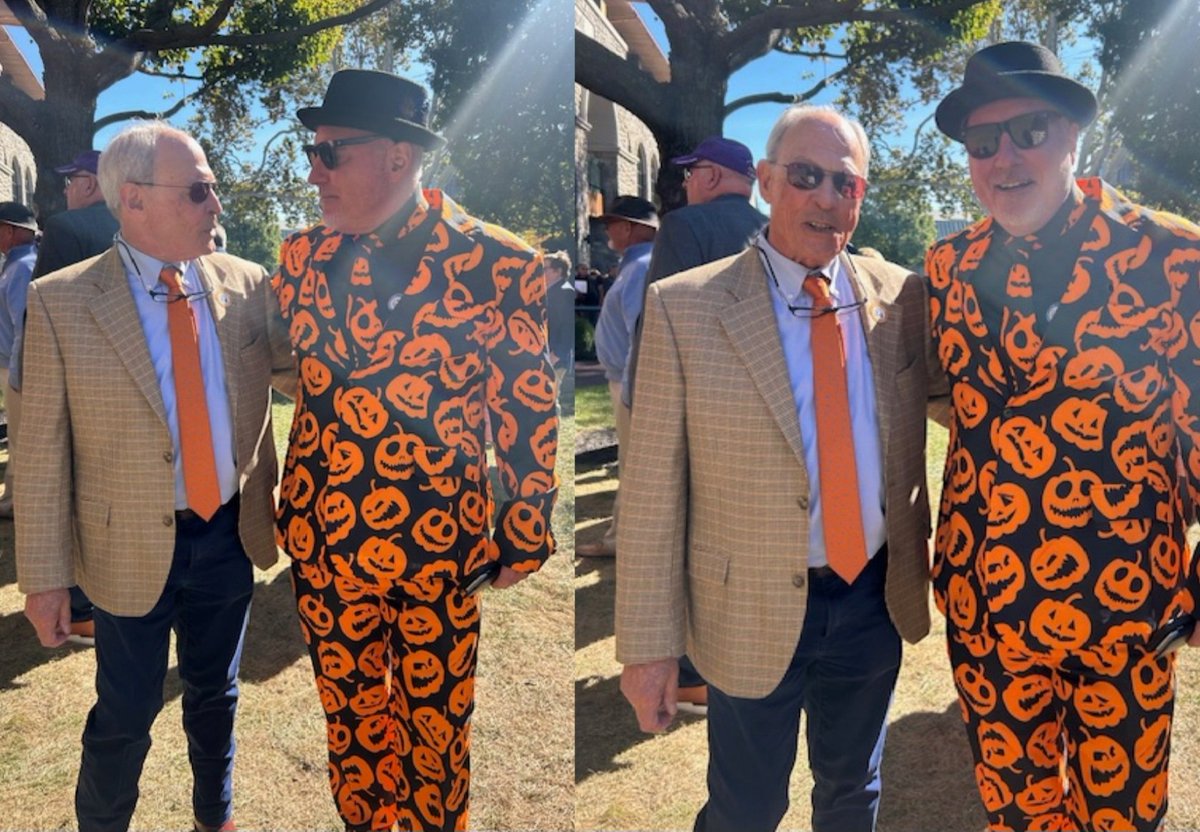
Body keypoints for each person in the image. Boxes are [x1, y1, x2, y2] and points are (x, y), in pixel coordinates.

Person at [616, 104, 940, 832]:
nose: (825, 197)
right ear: (764, 182)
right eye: (804, 175)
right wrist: (647, 650)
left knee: (852, 793)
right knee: (747, 806)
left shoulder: (903, 298)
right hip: (747, 606)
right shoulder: (684, 309)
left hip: (871, 599)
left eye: (845, 183)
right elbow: (649, 496)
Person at [274, 69, 559, 832]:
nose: (313, 171)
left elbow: (526, 412)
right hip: (325, 545)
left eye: (331, 152)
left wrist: (524, 529)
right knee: (351, 731)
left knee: (438, 740)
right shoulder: (299, 260)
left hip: (438, 551)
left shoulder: (499, 263)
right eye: (314, 150)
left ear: (397, 157)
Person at [926, 41, 1200, 831]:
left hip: (1126, 611)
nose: (1005, 157)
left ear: (1074, 133)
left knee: (1121, 816)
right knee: (1015, 815)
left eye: (1029, 130)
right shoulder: (948, 266)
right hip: (986, 611)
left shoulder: (1172, 256)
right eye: (983, 142)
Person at [15, 122, 289, 832]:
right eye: (199, 190)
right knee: (125, 715)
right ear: (132, 199)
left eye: (215, 188)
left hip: (230, 533)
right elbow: (41, 449)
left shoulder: (248, 285)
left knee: (216, 695)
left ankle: (214, 816)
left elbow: (310, 375)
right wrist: (44, 577)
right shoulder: (60, 301)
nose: (216, 205)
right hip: (124, 547)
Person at [576, 196, 656, 560]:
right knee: (633, 463)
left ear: (632, 228)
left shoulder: (641, 269)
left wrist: (634, 390)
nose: (608, 230)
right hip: (627, 376)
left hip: (631, 379)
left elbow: (642, 334)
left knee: (635, 464)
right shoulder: (636, 266)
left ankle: (621, 540)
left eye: (613, 223)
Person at [0, 202, 38, 521]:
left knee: (20, 436)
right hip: (12, 362)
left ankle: (16, 502)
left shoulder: (22, 266)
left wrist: (17, 376)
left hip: (15, 366)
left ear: (11, 231)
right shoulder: (18, 264)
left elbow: (24, 327)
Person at [33, 149, 120, 278]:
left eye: (70, 180)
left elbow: (46, 295)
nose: (65, 190)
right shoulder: (138, 225)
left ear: (89, 184)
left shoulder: (63, 227)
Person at [543, 250, 577, 375]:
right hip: (544, 354)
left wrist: (556, 354)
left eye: (544, 268)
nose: (540, 272)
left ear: (558, 271)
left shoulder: (565, 292)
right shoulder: (548, 290)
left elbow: (568, 326)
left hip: (554, 358)